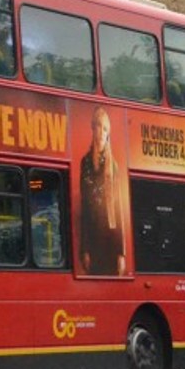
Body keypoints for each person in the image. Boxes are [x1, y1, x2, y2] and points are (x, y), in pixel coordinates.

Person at [78, 105, 129, 276]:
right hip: (93, 242)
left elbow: (119, 211)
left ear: (108, 135)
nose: (101, 132)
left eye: (105, 128)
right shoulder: (85, 163)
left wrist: (121, 253)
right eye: (98, 126)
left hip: (110, 242)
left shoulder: (114, 167)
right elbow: (84, 209)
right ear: (92, 129)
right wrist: (84, 250)